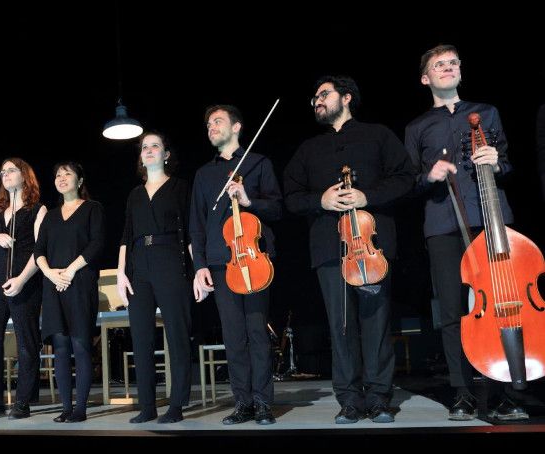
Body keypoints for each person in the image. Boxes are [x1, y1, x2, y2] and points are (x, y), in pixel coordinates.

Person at [404, 44, 528, 421]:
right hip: (442, 224)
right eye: (439, 64)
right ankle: (462, 392)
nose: (448, 67)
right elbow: (408, 183)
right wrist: (429, 176)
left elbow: (506, 164)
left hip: (490, 219)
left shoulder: (486, 113)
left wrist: (497, 161)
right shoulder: (416, 127)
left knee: (503, 304)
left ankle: (509, 390)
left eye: (453, 63)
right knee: (452, 310)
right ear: (426, 78)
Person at [284, 76, 414, 424]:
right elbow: (291, 197)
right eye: (314, 97)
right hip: (330, 249)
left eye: (323, 94)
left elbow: (405, 177)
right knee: (340, 327)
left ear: (347, 97)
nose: (316, 101)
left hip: (373, 248)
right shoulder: (308, 149)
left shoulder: (378, 135)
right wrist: (321, 200)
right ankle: (349, 399)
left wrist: (367, 196)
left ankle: (379, 398)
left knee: (376, 324)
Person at [190, 107, 281, 426]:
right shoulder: (204, 174)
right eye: (208, 123)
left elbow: (277, 208)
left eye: (217, 121)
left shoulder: (258, 163)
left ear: (237, 127)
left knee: (257, 332)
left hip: (255, 260)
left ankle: (263, 402)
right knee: (233, 336)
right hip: (220, 261)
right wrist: (199, 265)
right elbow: (197, 224)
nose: (210, 126)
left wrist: (248, 200)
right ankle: (242, 402)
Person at [118, 131, 193, 424]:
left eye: (155, 146)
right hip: (138, 265)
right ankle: (147, 405)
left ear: (166, 154)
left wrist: (197, 269)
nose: (148, 150)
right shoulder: (135, 194)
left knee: (176, 333)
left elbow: (189, 232)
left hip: (170, 260)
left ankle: (177, 404)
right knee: (141, 337)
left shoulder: (179, 187)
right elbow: (125, 235)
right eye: (144, 147)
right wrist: (122, 273)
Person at [0, 158, 46, 420]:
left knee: (27, 342)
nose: (5, 175)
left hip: (24, 281)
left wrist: (22, 279)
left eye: (11, 170)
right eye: (2, 172)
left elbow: (40, 251)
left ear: (25, 176)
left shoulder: (37, 210)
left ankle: (23, 401)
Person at [35, 162, 105, 422]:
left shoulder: (92, 208)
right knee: (60, 347)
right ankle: (66, 407)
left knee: (80, 344)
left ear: (80, 180)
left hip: (80, 281)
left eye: (68, 174)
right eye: (58, 175)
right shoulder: (50, 216)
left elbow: (97, 243)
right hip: (53, 284)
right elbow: (39, 251)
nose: (62, 178)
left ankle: (80, 409)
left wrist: (70, 271)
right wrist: (52, 274)